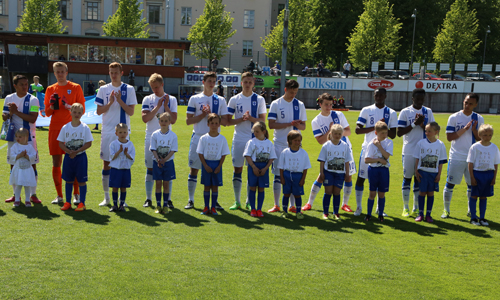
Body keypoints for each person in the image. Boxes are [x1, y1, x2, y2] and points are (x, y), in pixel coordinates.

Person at [303, 93, 355, 213]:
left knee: (348, 176)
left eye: (331, 104)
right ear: (320, 104)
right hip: (329, 152)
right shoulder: (316, 121)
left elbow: (348, 131)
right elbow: (320, 140)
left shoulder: (338, 114)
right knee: (322, 176)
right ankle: (309, 203)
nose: (329, 107)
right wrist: (330, 131)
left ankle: (345, 204)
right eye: (326, 104)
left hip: (344, 150)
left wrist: (338, 132)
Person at [95, 62, 137, 207]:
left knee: (122, 164)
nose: (113, 75)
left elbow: (131, 112)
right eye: (111, 72)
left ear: (121, 73)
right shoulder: (103, 89)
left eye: (116, 72)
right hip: (107, 132)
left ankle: (121, 200)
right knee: (107, 163)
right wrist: (111, 102)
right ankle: (107, 198)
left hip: (124, 134)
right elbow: (99, 111)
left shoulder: (129, 89)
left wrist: (119, 101)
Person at [185, 72, 228, 210]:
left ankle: (214, 201)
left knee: (214, 170)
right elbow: (188, 121)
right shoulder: (195, 99)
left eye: (214, 81)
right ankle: (191, 200)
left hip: (215, 140)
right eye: (209, 81)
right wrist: (203, 115)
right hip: (198, 137)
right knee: (194, 170)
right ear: (203, 82)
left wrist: (212, 117)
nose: (211, 83)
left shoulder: (220, 100)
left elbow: (226, 121)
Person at [45, 62, 86, 205]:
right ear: (54, 73)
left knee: (73, 160)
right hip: (55, 129)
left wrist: (68, 106)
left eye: (62, 71)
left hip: (72, 129)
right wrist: (51, 105)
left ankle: (76, 194)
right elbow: (47, 113)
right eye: (57, 72)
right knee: (56, 162)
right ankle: (59, 195)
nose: (60, 74)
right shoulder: (51, 89)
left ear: (67, 72)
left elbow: (83, 110)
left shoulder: (75, 87)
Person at [227, 72, 267, 210]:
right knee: (237, 169)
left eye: (250, 82)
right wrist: (241, 119)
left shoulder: (260, 99)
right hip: (238, 139)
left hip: (254, 140)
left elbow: (263, 120)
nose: (248, 84)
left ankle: (249, 201)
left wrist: (251, 119)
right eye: (245, 82)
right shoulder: (234, 99)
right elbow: (227, 121)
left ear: (253, 83)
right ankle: (237, 201)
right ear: (241, 83)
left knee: (252, 170)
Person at [354, 88, 397, 217]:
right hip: (367, 149)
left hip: (382, 152)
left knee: (380, 183)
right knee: (361, 179)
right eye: (376, 95)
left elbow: (394, 135)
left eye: (381, 95)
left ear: (385, 96)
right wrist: (376, 127)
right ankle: (359, 207)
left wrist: (384, 129)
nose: (379, 97)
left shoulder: (391, 113)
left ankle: (379, 209)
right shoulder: (366, 110)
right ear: (374, 95)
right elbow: (357, 130)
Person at [267, 79, 307, 213]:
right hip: (279, 144)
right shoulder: (276, 103)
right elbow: (271, 124)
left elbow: (304, 126)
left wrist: (297, 125)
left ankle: (292, 206)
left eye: (295, 92)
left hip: (295, 147)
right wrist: (290, 123)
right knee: (278, 175)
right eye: (291, 92)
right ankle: (276, 205)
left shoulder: (299, 105)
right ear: (285, 90)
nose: (293, 95)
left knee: (293, 174)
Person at [442, 93, 484, 219]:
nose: (467, 105)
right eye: (466, 102)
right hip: (456, 156)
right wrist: (465, 129)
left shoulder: (478, 118)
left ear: (475, 105)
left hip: (472, 157)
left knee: (471, 184)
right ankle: (446, 210)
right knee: (450, 183)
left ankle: (470, 210)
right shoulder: (454, 117)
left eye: (471, 103)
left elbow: (480, 139)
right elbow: (449, 137)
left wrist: (475, 130)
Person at [397, 88, 435, 217]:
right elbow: (399, 133)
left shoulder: (428, 111)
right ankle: (405, 208)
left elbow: (433, 132)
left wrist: (423, 125)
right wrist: (414, 124)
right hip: (408, 150)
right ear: (412, 98)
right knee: (407, 178)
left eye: (422, 99)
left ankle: (416, 207)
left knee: (419, 179)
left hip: (424, 152)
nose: (419, 101)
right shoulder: (405, 112)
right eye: (417, 99)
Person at [141, 73, 178, 208]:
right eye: (152, 87)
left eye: (156, 87)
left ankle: (167, 200)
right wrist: (157, 106)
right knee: (150, 168)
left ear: (162, 85)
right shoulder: (147, 99)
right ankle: (148, 198)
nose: (155, 90)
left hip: (167, 139)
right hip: (151, 137)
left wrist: (166, 106)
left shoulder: (172, 99)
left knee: (167, 169)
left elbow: (173, 120)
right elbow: (145, 119)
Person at [3, 75, 41, 204]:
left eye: (26, 84)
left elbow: (33, 118)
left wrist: (16, 111)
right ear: (15, 86)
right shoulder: (9, 98)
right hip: (13, 138)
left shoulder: (33, 99)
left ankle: (33, 194)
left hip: (29, 138)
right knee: (13, 165)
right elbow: (4, 116)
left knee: (32, 164)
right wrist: (8, 114)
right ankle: (15, 194)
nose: (25, 87)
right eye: (22, 84)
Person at [57, 103, 93, 211]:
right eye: (74, 112)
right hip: (69, 157)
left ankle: (82, 203)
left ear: (82, 114)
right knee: (68, 180)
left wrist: (77, 151)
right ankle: (68, 202)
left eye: (79, 112)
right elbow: (60, 142)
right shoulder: (65, 127)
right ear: (70, 112)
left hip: (80, 158)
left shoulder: (85, 127)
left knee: (82, 181)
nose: (76, 114)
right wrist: (68, 151)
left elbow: (89, 143)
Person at [197, 113, 230, 215]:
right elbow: (200, 152)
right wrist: (205, 165)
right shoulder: (203, 138)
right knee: (207, 186)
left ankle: (213, 207)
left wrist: (219, 166)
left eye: (216, 123)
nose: (214, 125)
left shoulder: (222, 139)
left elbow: (224, 154)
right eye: (212, 123)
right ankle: (206, 207)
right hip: (206, 164)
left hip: (216, 165)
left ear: (219, 124)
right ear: (208, 124)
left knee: (215, 186)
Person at [413, 122, 447, 222]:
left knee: (430, 193)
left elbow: (441, 161)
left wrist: (439, 174)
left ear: (436, 132)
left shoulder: (440, 145)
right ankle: (420, 214)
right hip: (422, 172)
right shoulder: (420, 143)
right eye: (426, 131)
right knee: (422, 193)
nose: (427, 133)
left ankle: (428, 214)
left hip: (433, 174)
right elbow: (417, 158)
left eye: (429, 131)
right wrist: (416, 171)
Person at [318, 125, 353, 219]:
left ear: (342, 134)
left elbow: (347, 161)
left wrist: (347, 173)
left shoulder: (345, 146)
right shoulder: (326, 145)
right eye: (335, 133)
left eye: (339, 134)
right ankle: (325, 213)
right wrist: (321, 173)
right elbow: (322, 161)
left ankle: (336, 213)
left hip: (340, 174)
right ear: (331, 134)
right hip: (328, 172)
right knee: (328, 192)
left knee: (337, 192)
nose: (337, 135)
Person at [466, 124, 499, 226]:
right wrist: (472, 177)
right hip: (477, 173)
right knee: (474, 195)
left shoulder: (494, 147)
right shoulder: (475, 147)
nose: (487, 137)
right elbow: (470, 163)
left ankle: (482, 218)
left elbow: (495, 164)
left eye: (489, 135)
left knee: (484, 196)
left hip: (488, 174)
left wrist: (494, 177)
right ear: (479, 135)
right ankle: (473, 218)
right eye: (485, 135)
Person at [243, 122, 276, 217]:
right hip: (253, 167)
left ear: (264, 132)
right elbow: (247, 155)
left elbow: (272, 157)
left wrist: (266, 168)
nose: (255, 133)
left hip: (263, 168)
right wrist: (253, 167)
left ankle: (259, 209)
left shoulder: (269, 143)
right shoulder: (251, 142)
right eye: (254, 131)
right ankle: (253, 209)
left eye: (257, 131)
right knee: (252, 187)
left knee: (261, 188)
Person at [364, 121, 393, 222]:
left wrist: (379, 146)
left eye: (386, 132)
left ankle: (380, 214)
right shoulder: (371, 144)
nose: (385, 135)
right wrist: (379, 160)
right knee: (372, 193)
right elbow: (366, 160)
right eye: (382, 133)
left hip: (384, 171)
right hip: (373, 170)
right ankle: (368, 214)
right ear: (376, 133)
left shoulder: (389, 142)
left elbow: (386, 156)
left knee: (382, 194)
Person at [278, 130, 311, 219]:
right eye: (295, 140)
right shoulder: (285, 152)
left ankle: (298, 212)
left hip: (298, 176)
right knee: (286, 194)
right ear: (290, 141)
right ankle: (284, 211)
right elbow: (281, 166)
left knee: (297, 195)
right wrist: (282, 177)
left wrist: (303, 179)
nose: (297, 142)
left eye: (299, 140)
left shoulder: (303, 153)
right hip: (287, 175)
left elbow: (305, 168)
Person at [150, 112, 178, 214]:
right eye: (162, 121)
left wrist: (164, 160)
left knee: (166, 184)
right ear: (159, 122)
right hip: (157, 162)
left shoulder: (173, 135)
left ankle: (165, 205)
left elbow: (173, 150)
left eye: (166, 121)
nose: (164, 123)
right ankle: (158, 205)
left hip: (168, 163)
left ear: (170, 122)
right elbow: (153, 149)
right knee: (158, 183)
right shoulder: (155, 134)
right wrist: (158, 159)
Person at [108, 123, 135, 212]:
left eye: (124, 132)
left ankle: (122, 205)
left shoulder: (130, 144)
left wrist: (126, 154)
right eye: (120, 132)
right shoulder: (113, 144)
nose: (122, 134)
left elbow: (132, 157)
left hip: (125, 169)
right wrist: (119, 151)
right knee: (115, 187)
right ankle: (115, 205)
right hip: (116, 169)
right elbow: (112, 157)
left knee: (123, 187)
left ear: (127, 133)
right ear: (116, 133)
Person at [9, 128, 37, 207]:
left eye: (20, 137)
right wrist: (19, 155)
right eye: (17, 136)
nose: (17, 138)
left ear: (26, 137)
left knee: (27, 185)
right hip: (18, 170)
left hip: (27, 170)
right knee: (18, 184)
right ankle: (17, 199)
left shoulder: (29, 147)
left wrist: (27, 156)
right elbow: (12, 156)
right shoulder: (15, 146)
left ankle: (27, 200)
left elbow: (33, 155)